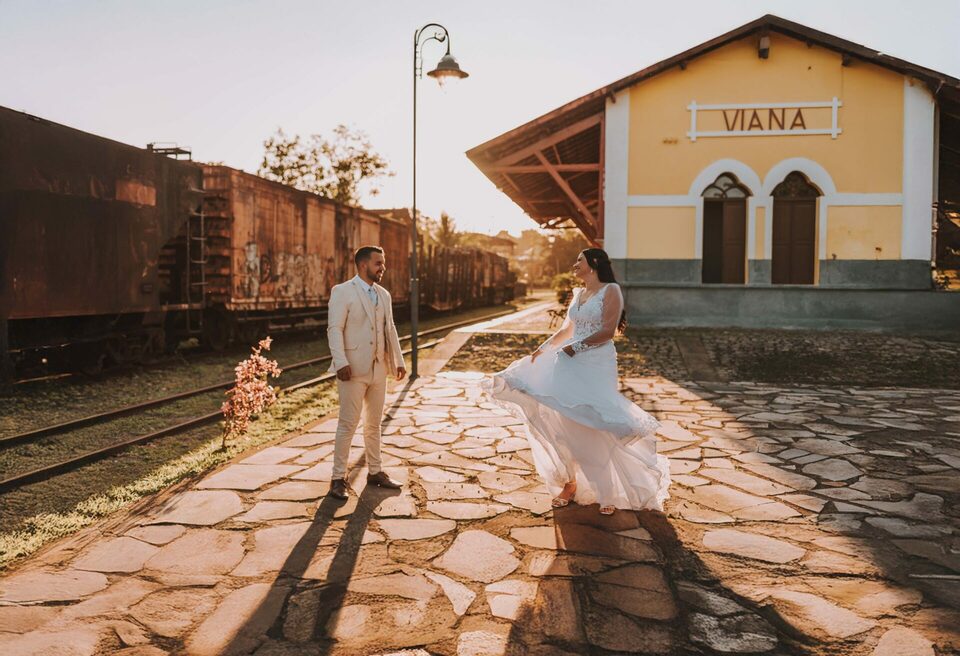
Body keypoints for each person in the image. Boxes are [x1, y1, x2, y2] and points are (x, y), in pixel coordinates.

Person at [484, 248, 670, 515]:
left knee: (593, 424)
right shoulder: (578, 293)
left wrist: (576, 348)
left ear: (593, 264)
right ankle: (570, 484)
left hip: (595, 362)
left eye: (579, 261)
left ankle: (607, 492)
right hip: (567, 362)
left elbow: (608, 331)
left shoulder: (611, 290)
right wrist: (542, 349)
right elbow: (566, 330)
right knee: (564, 423)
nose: (574, 265)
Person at [326, 246, 406, 499]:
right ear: (363, 265)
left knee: (374, 424)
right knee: (347, 424)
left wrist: (398, 360)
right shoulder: (342, 292)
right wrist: (340, 362)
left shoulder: (384, 294)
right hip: (352, 369)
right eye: (378, 263)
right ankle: (338, 478)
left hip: (378, 369)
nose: (383, 267)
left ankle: (375, 471)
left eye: (383, 262)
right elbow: (334, 329)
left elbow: (390, 328)